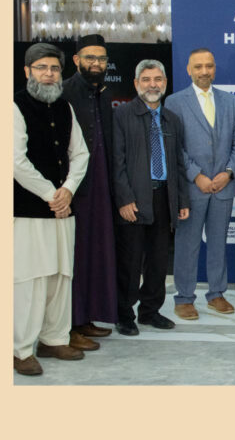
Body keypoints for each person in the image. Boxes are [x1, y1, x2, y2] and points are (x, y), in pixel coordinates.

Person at [14, 43, 90, 375]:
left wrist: (68, 190)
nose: (49, 74)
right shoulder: (14, 106)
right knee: (30, 280)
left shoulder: (65, 107)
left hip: (63, 209)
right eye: (42, 68)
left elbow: (81, 154)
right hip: (28, 209)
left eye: (54, 69)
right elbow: (15, 161)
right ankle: (20, 349)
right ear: (27, 71)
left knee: (61, 276)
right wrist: (51, 194)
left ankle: (54, 338)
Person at [165, 48, 235, 320]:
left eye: (209, 66)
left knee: (218, 243)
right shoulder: (175, 102)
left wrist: (229, 172)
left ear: (215, 68)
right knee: (187, 244)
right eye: (198, 66)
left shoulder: (229, 101)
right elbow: (173, 146)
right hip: (192, 188)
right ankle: (184, 297)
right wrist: (196, 175)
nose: (204, 71)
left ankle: (216, 294)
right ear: (189, 70)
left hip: (223, 187)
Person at [112, 60, 190, 336]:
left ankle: (150, 311)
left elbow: (179, 164)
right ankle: (124, 314)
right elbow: (117, 162)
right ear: (136, 84)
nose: (152, 84)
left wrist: (181, 201)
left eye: (157, 79)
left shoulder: (172, 119)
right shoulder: (122, 115)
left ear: (165, 84)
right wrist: (124, 199)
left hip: (164, 198)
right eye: (146, 79)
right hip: (134, 200)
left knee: (158, 261)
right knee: (131, 262)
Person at [60, 34, 117, 351]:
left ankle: (84, 319)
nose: (96, 64)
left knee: (94, 255)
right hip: (74, 190)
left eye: (102, 59)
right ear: (76, 60)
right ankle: (65, 327)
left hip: (100, 188)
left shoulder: (102, 93)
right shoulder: (64, 92)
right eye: (90, 58)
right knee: (72, 259)